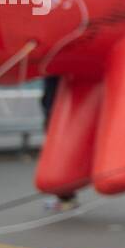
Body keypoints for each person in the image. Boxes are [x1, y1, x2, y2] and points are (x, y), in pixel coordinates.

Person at [39, 75, 78, 212]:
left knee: (60, 154)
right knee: (61, 153)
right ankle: (65, 197)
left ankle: (66, 197)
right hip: (56, 111)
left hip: (57, 115)